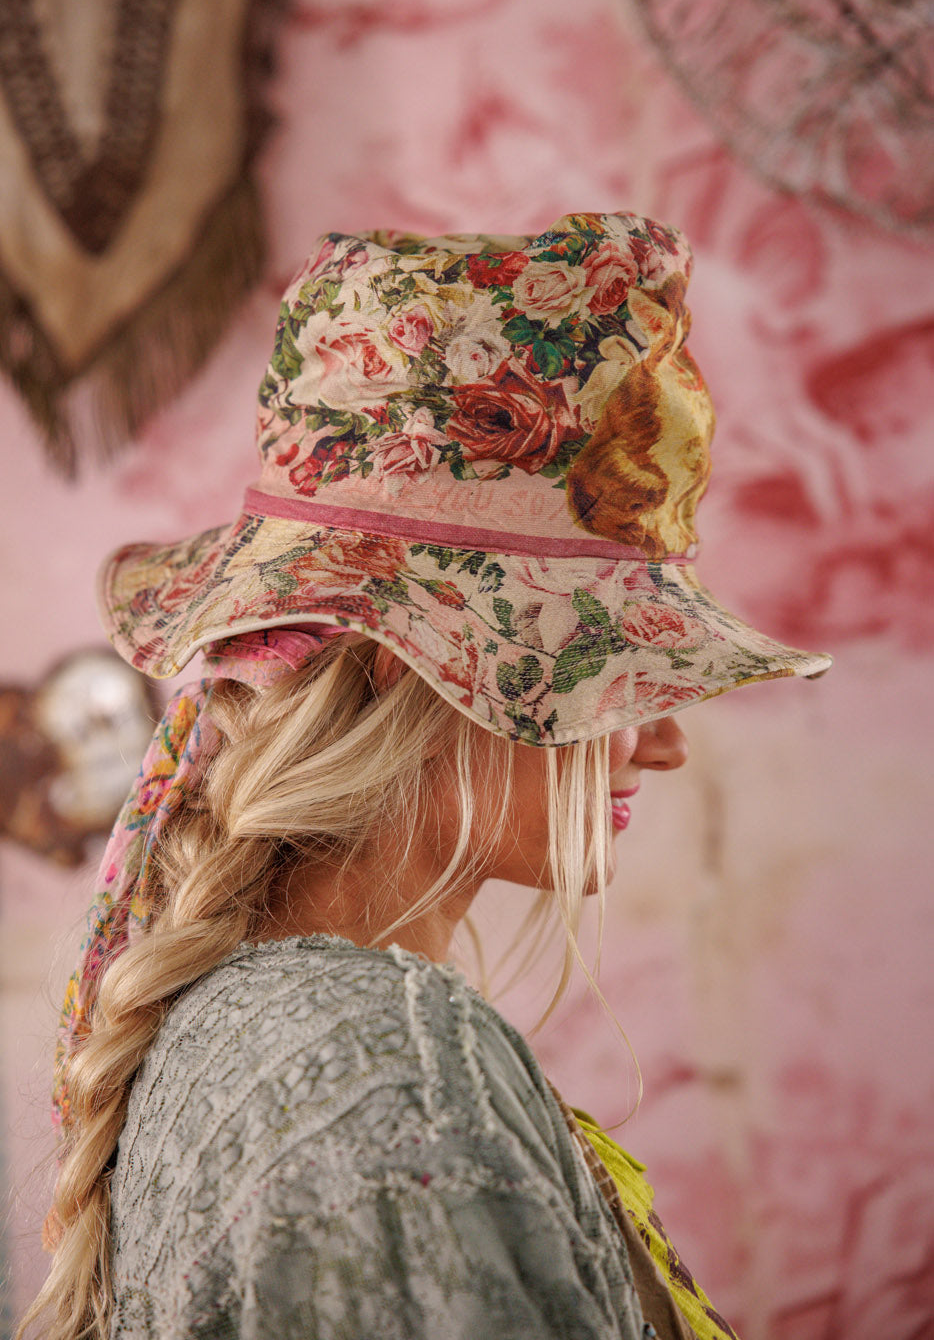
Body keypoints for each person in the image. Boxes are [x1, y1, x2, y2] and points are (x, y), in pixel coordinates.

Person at [22, 211, 830, 1340]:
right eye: (606, 668)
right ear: (423, 674)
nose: (662, 740)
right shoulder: (384, 1055)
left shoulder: (280, 1027)